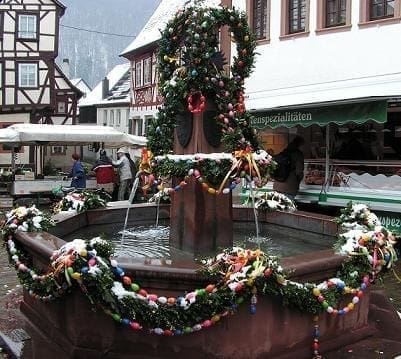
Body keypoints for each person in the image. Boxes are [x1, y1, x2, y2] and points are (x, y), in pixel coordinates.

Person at [273, 136, 305, 201]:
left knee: (278, 209)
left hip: (277, 186)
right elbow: (299, 171)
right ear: (300, 145)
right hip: (289, 187)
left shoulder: (283, 152)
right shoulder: (298, 155)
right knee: (287, 209)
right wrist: (298, 180)